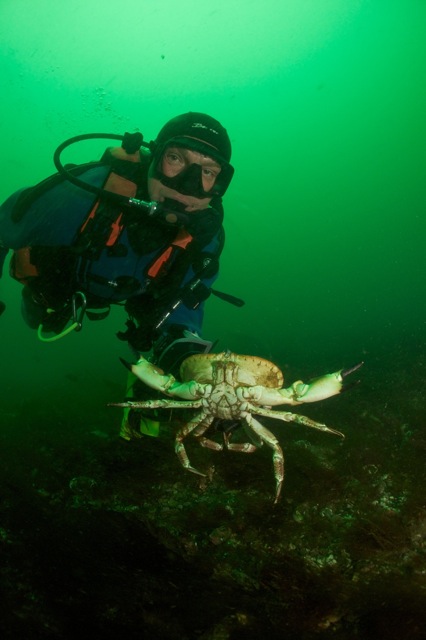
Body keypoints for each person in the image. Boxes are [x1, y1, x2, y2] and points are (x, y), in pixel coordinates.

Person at [0, 112, 239, 438]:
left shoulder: (204, 240)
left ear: (220, 185)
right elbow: (6, 222)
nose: (188, 186)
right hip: (63, 279)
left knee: (162, 343)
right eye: (175, 159)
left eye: (208, 172)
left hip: (138, 295)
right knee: (40, 317)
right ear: (155, 156)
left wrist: (191, 376)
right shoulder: (88, 192)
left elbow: (183, 316)